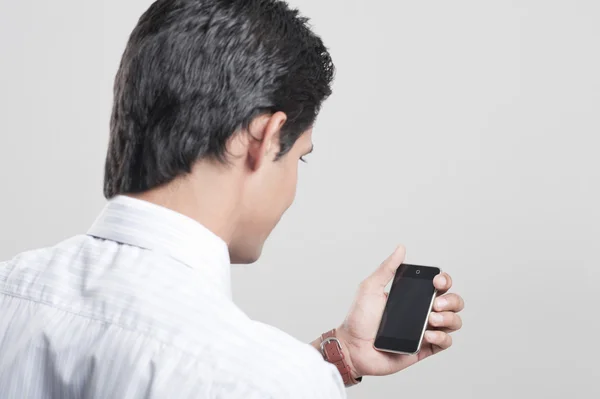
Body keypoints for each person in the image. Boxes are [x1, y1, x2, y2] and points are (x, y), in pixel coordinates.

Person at [0, 0, 464, 397]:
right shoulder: (273, 381)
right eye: (299, 158)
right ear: (265, 137)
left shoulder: (9, 291)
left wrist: (338, 353)